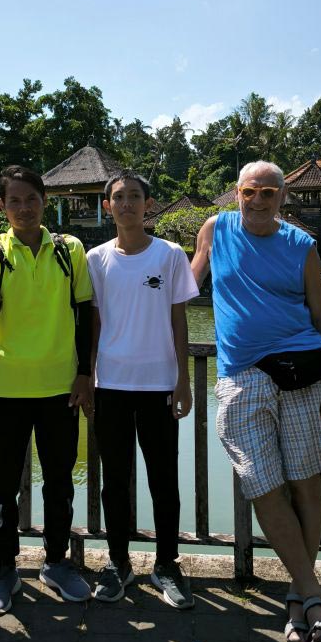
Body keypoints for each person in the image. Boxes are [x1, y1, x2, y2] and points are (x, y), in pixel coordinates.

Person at [191, 160, 321, 642]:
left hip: (300, 374)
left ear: (283, 197)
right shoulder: (216, 230)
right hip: (240, 377)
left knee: (305, 483)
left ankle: (301, 598)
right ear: (236, 192)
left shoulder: (301, 245)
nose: (257, 201)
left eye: (268, 193)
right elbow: (183, 287)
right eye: (249, 191)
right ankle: (313, 595)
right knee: (262, 484)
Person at [0, 165, 93, 615]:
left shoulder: (69, 249)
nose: (24, 208)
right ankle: (5, 569)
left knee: (59, 482)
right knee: (2, 487)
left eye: (31, 199)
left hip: (59, 386)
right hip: (6, 386)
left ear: (45, 201)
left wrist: (84, 373)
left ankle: (56, 563)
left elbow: (84, 313)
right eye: (14, 201)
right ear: (2, 206)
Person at [86, 171, 200, 608]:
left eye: (135, 196)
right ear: (107, 206)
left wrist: (183, 380)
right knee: (114, 481)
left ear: (148, 204)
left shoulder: (169, 255)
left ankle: (167, 564)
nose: (127, 203)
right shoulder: (96, 259)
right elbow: (94, 323)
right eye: (119, 197)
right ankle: (119, 563)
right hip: (110, 384)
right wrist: (87, 377)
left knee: (163, 479)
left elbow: (178, 320)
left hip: (159, 384)